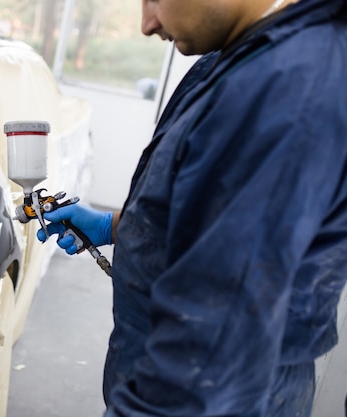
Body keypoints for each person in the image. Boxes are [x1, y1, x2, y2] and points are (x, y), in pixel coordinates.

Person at [38, 0, 347, 416]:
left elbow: (212, 347)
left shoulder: (286, 87)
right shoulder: (242, 54)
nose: (147, 23)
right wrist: (118, 227)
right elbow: (217, 219)